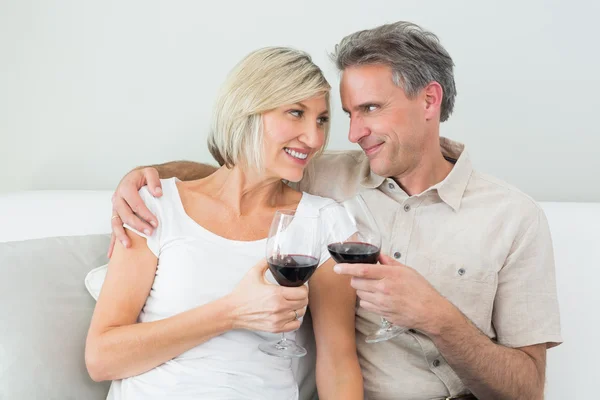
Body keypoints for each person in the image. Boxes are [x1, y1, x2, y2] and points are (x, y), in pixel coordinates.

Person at [110, 22, 562, 400]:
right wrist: (145, 175)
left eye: (369, 109)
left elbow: (527, 387)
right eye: (346, 113)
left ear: (429, 101)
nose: (353, 132)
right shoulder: (321, 179)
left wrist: (436, 317)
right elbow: (240, 173)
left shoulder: (513, 218)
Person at [85, 47, 363, 400]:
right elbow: (101, 359)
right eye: (296, 113)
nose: (314, 138)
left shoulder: (324, 220)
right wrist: (232, 312)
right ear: (246, 110)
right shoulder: (154, 206)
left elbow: (338, 364)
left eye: (322, 120)